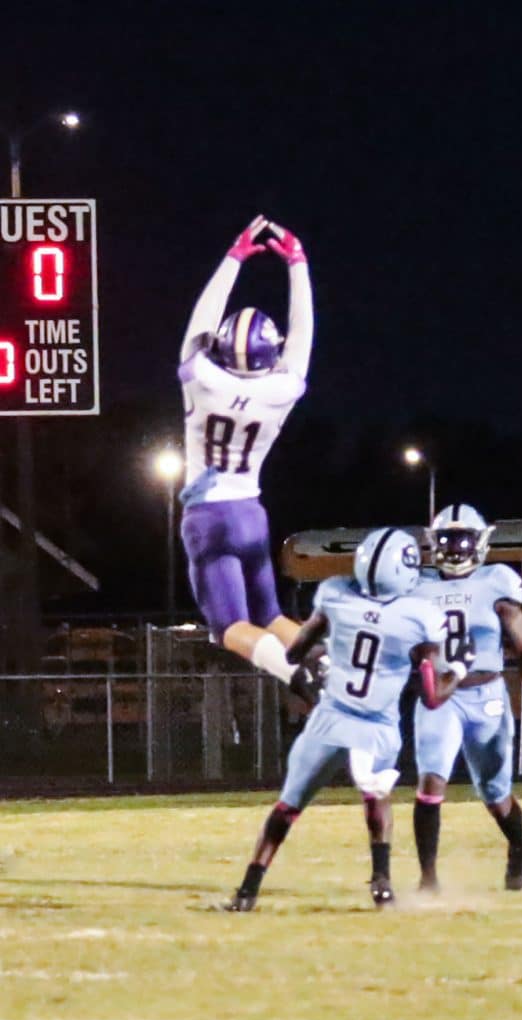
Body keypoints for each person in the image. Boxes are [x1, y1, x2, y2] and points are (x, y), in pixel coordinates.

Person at [226, 526, 469, 912]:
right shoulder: (419, 617)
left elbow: (295, 654)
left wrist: (331, 654)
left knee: (288, 806)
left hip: (331, 716)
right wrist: (457, 668)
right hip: (377, 726)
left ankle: (247, 892)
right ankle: (382, 885)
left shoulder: (336, 595)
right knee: (375, 797)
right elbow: (434, 696)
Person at [178, 214, 315, 696]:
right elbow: (302, 336)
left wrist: (234, 257)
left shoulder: (203, 379)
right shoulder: (280, 390)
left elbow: (200, 323)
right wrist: (297, 264)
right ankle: (340, 666)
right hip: (251, 514)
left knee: (230, 629)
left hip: (207, 517)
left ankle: (298, 675)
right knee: (272, 617)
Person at [411, 503, 522, 892]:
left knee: (495, 794)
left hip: (487, 695)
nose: (455, 548)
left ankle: (518, 843)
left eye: (463, 539)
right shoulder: (417, 584)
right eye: (447, 539)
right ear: (432, 542)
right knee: (430, 783)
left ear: (480, 542)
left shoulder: (497, 581)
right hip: (440, 697)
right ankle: (428, 881)